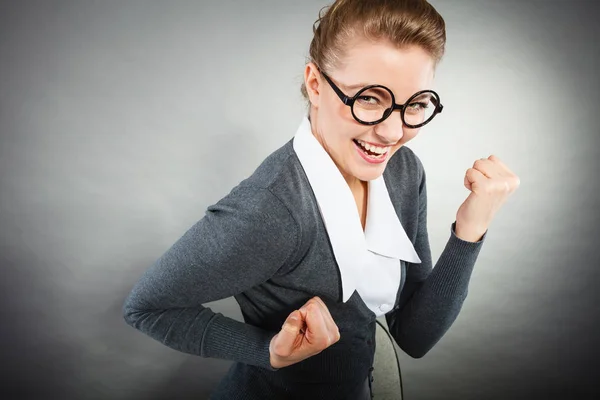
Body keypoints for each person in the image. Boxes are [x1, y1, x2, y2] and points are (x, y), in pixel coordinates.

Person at [122, 0, 520, 399]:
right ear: (315, 84)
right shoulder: (271, 209)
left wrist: (470, 231)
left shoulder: (404, 172)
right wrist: (266, 351)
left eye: (415, 104)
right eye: (368, 98)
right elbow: (146, 307)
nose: (392, 132)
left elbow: (414, 336)